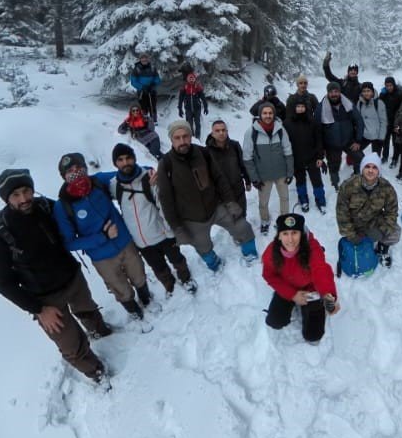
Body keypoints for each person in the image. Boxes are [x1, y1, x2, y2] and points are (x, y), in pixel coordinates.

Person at [0, 168, 112, 384]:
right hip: (45, 299)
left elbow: (73, 215)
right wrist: (39, 310)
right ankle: (97, 373)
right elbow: (4, 284)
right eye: (15, 195)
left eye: (27, 191)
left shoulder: (46, 207)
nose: (24, 199)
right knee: (70, 344)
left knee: (87, 310)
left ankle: (103, 334)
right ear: (6, 199)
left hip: (72, 278)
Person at [54, 152, 151, 320]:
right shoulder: (63, 206)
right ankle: (135, 312)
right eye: (70, 171)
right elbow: (69, 243)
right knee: (120, 288)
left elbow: (127, 174)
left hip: (125, 242)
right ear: (64, 177)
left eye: (79, 167)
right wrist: (102, 237)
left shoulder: (98, 181)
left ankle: (147, 301)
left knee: (139, 275)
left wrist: (149, 171)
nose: (76, 172)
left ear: (85, 168)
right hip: (101, 257)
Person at [157, 121, 259, 272]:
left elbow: (219, 178)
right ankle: (214, 263)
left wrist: (230, 202)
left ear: (190, 136)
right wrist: (177, 228)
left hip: (215, 207)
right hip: (192, 217)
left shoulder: (203, 153)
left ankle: (250, 253)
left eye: (185, 136)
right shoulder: (166, 164)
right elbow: (166, 199)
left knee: (242, 226)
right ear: (171, 140)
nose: (182, 141)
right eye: (177, 138)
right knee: (202, 245)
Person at [97, 144, 196, 296]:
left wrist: (170, 230)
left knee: (176, 258)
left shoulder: (149, 176)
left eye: (128, 158)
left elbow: (163, 203)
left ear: (134, 158)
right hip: (141, 240)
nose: (125, 163)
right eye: (120, 160)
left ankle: (186, 278)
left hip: (162, 232)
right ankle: (170, 286)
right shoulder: (114, 186)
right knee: (158, 267)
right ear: (115, 163)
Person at [261, 212, 340, 343]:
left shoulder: (312, 248)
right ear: (279, 236)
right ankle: (293, 304)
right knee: (274, 321)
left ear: (302, 234)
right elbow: (269, 275)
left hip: (311, 290)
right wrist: (292, 294)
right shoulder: (271, 252)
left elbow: (321, 270)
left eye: (294, 233)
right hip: (287, 287)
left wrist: (328, 294)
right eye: (285, 233)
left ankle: (310, 309)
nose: (290, 239)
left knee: (313, 335)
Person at [335, 153, 400, 268]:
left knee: (395, 232)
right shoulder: (348, 186)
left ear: (378, 171)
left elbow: (392, 211)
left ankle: (382, 249)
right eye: (367, 166)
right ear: (362, 168)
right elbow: (342, 214)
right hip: (354, 226)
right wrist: (351, 234)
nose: (370, 171)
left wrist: (383, 230)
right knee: (354, 244)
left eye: (374, 167)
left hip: (373, 224)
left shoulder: (386, 188)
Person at [243, 100, 295, 233]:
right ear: (260, 115)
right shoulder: (251, 132)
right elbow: (247, 158)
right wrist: (254, 178)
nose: (268, 115)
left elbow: (288, 151)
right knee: (263, 202)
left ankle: (284, 220)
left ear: (274, 114)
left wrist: (290, 172)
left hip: (281, 173)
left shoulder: (280, 130)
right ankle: (265, 220)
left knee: (284, 198)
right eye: (265, 113)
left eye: (270, 113)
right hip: (263, 176)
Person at [315, 82, 364, 188]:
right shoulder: (321, 108)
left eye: (336, 91)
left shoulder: (348, 104)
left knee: (360, 158)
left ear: (339, 92)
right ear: (328, 93)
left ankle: (357, 176)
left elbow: (359, 121)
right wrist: (321, 149)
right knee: (333, 166)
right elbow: (317, 131)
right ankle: (335, 183)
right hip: (331, 144)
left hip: (349, 141)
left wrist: (358, 140)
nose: (334, 94)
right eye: (331, 92)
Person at [285, 94, 326, 213]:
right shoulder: (287, 123)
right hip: (296, 158)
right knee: (300, 181)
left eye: (302, 106)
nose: (300, 109)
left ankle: (320, 199)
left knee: (316, 180)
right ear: (294, 108)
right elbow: (285, 143)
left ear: (306, 108)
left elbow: (319, 140)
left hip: (312, 157)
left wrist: (320, 157)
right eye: (298, 106)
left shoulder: (312, 121)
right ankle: (303, 199)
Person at [205, 119, 252, 217]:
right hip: (221, 192)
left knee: (242, 214)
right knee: (229, 217)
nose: (221, 133)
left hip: (238, 188)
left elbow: (242, 164)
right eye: (217, 131)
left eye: (223, 130)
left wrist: (247, 181)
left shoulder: (234, 145)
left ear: (227, 131)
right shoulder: (207, 151)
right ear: (212, 133)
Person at [357, 81, 388, 157]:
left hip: (377, 136)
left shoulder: (379, 103)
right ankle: (363, 164)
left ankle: (374, 167)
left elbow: (383, 122)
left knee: (375, 157)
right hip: (365, 135)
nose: (366, 93)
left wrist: (381, 137)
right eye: (364, 91)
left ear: (372, 91)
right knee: (356, 152)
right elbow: (358, 120)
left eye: (368, 91)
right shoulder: (360, 103)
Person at [178, 63, 208, 138]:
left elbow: (203, 97)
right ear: (187, 79)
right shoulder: (185, 87)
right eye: (190, 78)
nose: (191, 79)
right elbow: (181, 98)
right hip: (188, 109)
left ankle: (197, 137)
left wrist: (205, 107)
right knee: (189, 124)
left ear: (195, 79)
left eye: (193, 78)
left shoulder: (197, 86)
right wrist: (180, 109)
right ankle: (191, 136)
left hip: (197, 108)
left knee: (197, 123)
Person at [379, 77, 402, 165]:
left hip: (396, 122)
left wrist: (399, 122)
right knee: (385, 141)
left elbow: (401, 109)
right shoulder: (383, 94)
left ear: (394, 85)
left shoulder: (399, 94)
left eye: (390, 85)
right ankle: (385, 157)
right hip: (386, 122)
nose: (389, 87)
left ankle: (395, 158)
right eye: (387, 85)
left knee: (395, 142)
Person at [129, 53, 161, 122]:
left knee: (152, 106)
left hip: (151, 90)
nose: (144, 60)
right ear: (140, 60)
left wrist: (153, 85)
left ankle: (154, 120)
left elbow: (157, 79)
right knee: (143, 107)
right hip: (142, 92)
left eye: (145, 58)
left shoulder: (152, 68)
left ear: (148, 59)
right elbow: (133, 81)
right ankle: (144, 120)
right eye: (142, 58)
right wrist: (142, 87)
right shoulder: (136, 69)